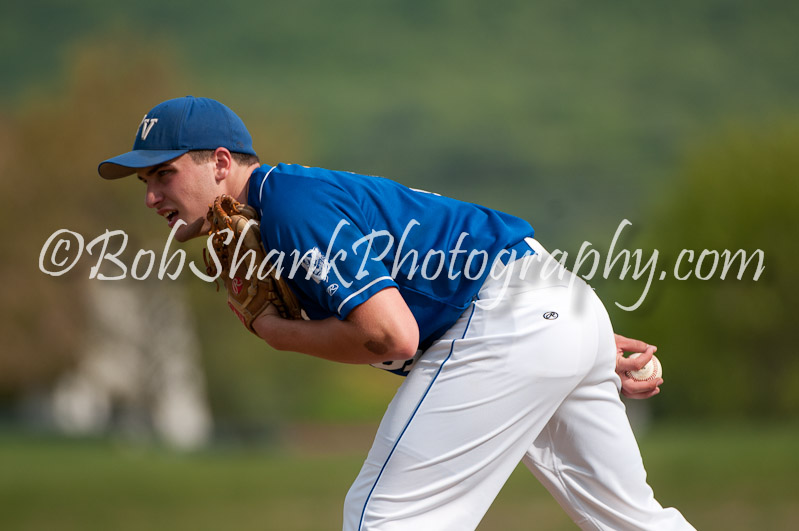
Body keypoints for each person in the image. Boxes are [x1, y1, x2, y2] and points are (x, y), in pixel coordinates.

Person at [99, 96, 694, 530]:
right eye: (145, 180)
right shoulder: (302, 195)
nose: (152, 195)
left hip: (510, 325)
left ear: (221, 162)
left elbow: (392, 335)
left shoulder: (288, 208)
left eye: (165, 173)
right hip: (552, 304)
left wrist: (280, 333)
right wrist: (576, 341)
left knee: (384, 518)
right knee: (631, 520)